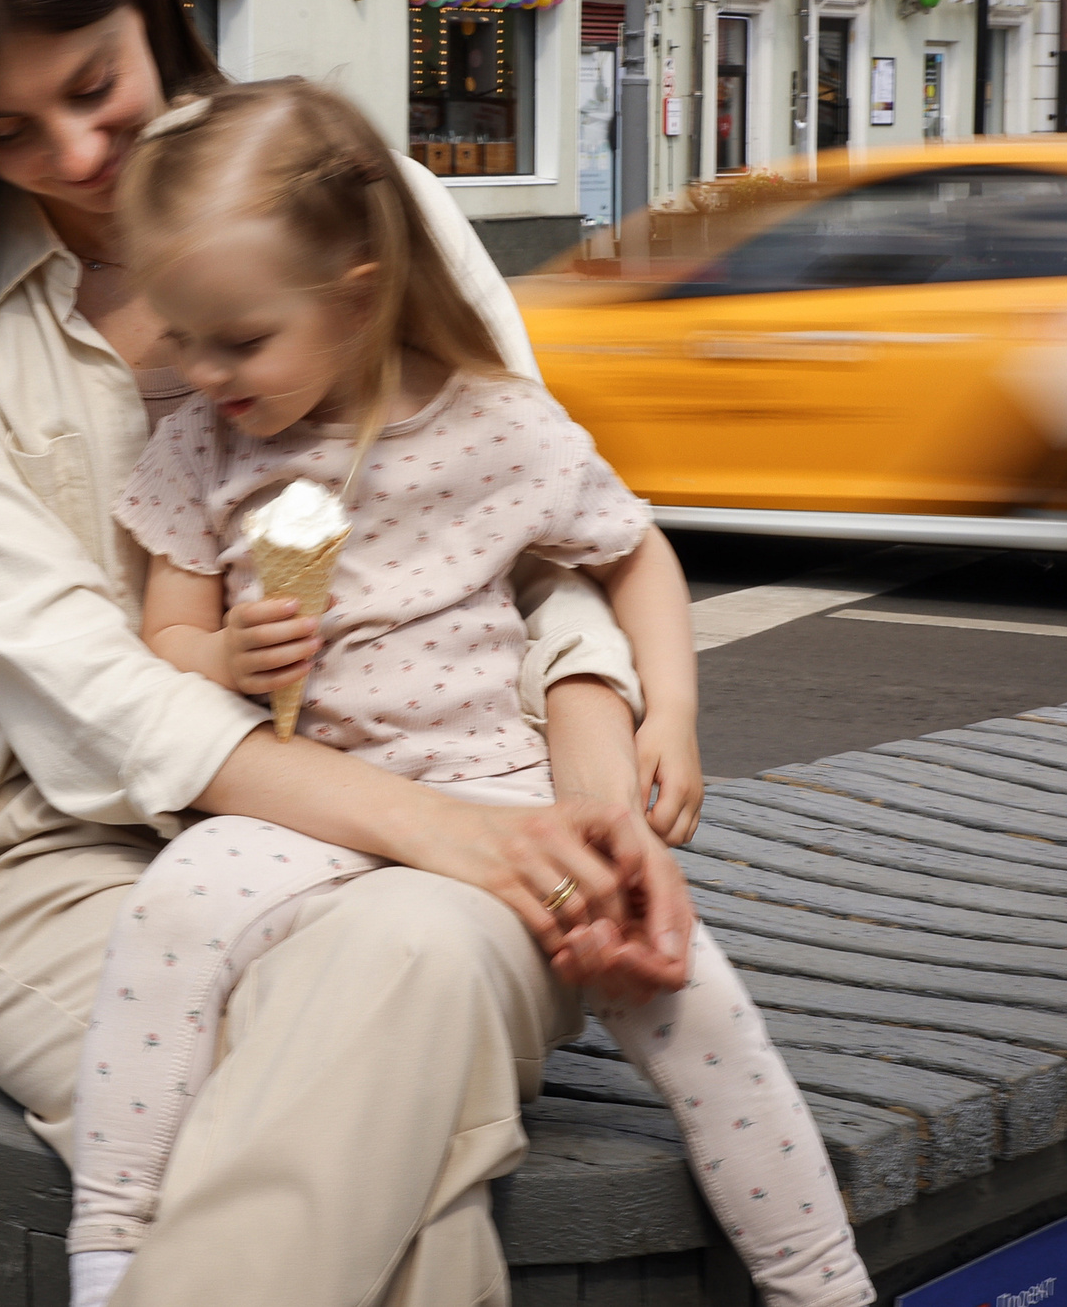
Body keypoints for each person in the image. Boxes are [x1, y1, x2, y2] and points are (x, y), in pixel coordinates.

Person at [0, 0, 707, 1307]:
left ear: (153, 8)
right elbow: (99, 700)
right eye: (5, 130)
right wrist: (446, 835)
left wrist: (592, 810)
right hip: (97, 865)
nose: (79, 158)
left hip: (465, 800)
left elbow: (537, 544)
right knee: (385, 1105)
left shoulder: (359, 201)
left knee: (399, 980)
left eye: (93, 85)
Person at [65, 80, 868, 1307]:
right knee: (170, 913)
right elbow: (163, 635)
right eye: (181, 336)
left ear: (360, 292)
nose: (205, 371)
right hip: (302, 805)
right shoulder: (204, 448)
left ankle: (822, 1281)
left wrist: (672, 713)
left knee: (689, 997)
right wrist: (224, 657)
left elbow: (632, 550)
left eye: (241, 338)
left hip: (503, 791)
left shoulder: (500, 426)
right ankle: (109, 1249)